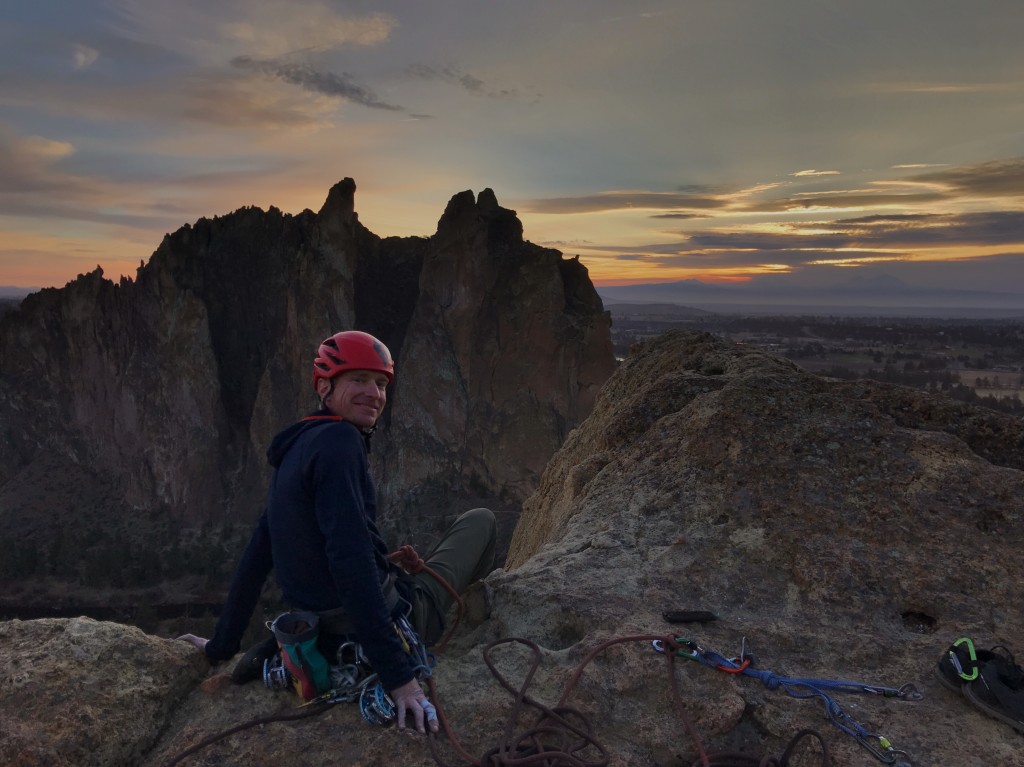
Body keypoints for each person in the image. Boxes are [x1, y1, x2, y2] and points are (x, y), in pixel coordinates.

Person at [178, 330, 496, 734]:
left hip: (316, 636)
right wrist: (400, 679)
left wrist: (221, 646)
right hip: (370, 630)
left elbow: (258, 554)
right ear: (325, 387)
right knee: (480, 520)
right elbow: (350, 563)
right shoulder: (341, 441)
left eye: (381, 384)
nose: (374, 394)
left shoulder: (295, 449)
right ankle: (471, 621)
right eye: (359, 380)